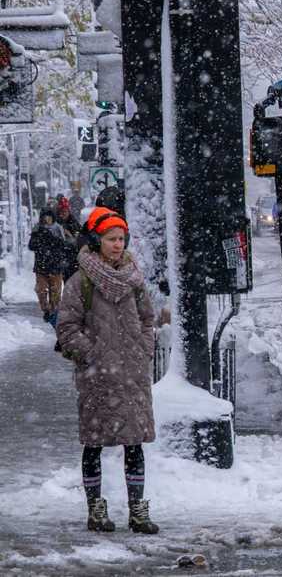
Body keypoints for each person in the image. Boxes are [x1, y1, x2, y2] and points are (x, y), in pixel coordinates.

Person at [55, 208, 160, 535]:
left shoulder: (134, 279)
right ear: (97, 240)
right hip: (97, 376)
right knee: (94, 444)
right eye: (112, 239)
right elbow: (67, 327)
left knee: (134, 443)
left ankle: (137, 511)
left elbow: (147, 319)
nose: (118, 244)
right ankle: (96, 510)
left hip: (132, 375)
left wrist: (144, 350)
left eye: (121, 239)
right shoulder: (80, 282)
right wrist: (92, 355)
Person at [27, 208, 71, 322]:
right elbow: (31, 246)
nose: (47, 219)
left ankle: (53, 312)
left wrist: (52, 240)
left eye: (49, 216)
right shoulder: (37, 228)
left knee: (55, 292)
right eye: (45, 216)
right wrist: (40, 238)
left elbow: (64, 245)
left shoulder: (58, 228)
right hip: (41, 266)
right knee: (41, 290)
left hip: (56, 265)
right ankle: (46, 309)